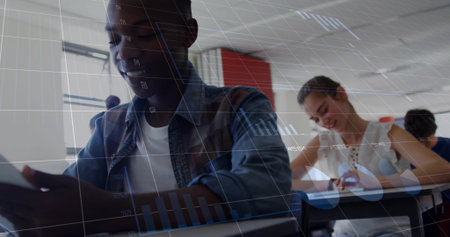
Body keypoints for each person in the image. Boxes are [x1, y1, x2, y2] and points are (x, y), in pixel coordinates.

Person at [0, 0, 291, 236]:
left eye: (145, 34)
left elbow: (267, 187)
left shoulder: (241, 105)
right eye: (114, 39)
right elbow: (73, 201)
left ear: (188, 33)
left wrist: (111, 212)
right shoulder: (110, 126)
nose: (123, 52)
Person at [290, 76, 450, 236]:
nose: (323, 122)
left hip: (393, 230)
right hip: (345, 233)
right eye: (315, 119)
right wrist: (328, 185)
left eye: (324, 111)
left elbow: (443, 170)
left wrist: (375, 183)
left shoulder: (389, 133)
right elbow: (282, 182)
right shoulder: (322, 142)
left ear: (341, 93)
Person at [404, 109, 450, 236]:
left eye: (427, 141)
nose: (423, 147)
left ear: (433, 132)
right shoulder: (407, 155)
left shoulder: (447, 147)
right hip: (423, 211)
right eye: (418, 143)